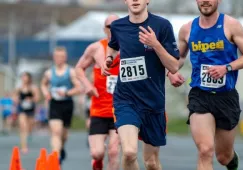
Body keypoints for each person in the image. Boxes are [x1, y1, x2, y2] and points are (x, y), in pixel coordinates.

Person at [167, 0, 243, 170]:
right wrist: (172, 72)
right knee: (205, 150)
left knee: (223, 157)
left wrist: (227, 68)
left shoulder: (231, 25)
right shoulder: (187, 29)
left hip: (226, 96)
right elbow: (179, 58)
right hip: (200, 94)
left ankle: (231, 159)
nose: (205, 1)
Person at [102, 1, 179, 169]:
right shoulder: (117, 26)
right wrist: (109, 59)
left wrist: (155, 44)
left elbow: (174, 66)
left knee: (151, 163)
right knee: (129, 152)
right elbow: (112, 46)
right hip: (126, 100)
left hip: (153, 101)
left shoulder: (162, 26)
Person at [75, 14, 120, 170]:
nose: (113, 29)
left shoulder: (129, 48)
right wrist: (87, 85)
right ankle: (97, 163)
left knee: (114, 152)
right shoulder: (96, 48)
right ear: (104, 29)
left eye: (116, 25)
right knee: (97, 153)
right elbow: (79, 68)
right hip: (99, 110)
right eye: (109, 26)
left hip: (120, 111)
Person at [41, 47, 81, 164]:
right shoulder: (49, 73)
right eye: (57, 56)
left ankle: (61, 148)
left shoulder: (71, 72)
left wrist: (67, 93)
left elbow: (79, 88)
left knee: (64, 135)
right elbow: (43, 85)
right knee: (56, 131)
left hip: (67, 104)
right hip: (54, 104)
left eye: (62, 57)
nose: (59, 59)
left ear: (65, 57)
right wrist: (46, 93)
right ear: (54, 57)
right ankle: (56, 156)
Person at [15, 72, 40, 153]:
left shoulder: (33, 88)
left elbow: (37, 98)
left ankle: (29, 133)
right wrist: (16, 100)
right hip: (22, 109)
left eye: (25, 77)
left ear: (29, 78)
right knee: (23, 127)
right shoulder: (19, 88)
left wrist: (31, 100)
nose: (24, 79)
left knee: (29, 126)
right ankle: (24, 146)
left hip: (30, 110)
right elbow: (14, 97)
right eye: (23, 77)